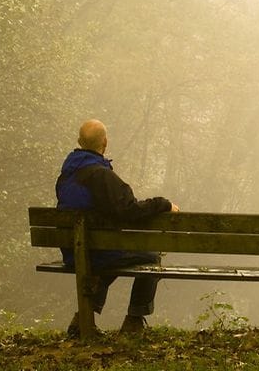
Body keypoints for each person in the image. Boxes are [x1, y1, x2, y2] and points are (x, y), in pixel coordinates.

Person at [55, 119, 180, 335]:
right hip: (96, 253)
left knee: (107, 259)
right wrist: (164, 204)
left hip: (74, 252)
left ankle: (82, 318)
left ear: (79, 142)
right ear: (105, 142)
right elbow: (129, 210)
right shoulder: (100, 175)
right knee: (151, 258)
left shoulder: (66, 176)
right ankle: (133, 321)